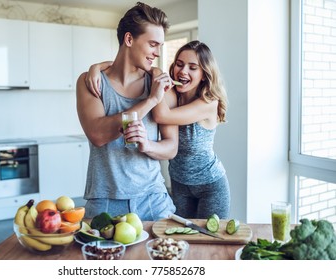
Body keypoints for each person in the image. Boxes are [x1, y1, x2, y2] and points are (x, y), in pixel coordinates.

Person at [87, 40, 230, 219]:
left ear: (204, 74)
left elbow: (161, 116)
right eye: (179, 64)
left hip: (210, 185)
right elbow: (127, 63)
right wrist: (97, 67)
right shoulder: (172, 94)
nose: (183, 71)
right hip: (179, 183)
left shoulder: (208, 103)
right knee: (183, 239)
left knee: (211, 242)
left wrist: (155, 73)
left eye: (193, 67)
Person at [76, 2, 178, 221]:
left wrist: (147, 145)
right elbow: (98, 135)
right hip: (105, 201)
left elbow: (171, 148)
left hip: (154, 200)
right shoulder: (91, 82)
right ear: (129, 39)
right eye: (153, 44)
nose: (157, 53)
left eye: (159, 46)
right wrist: (150, 100)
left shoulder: (159, 82)